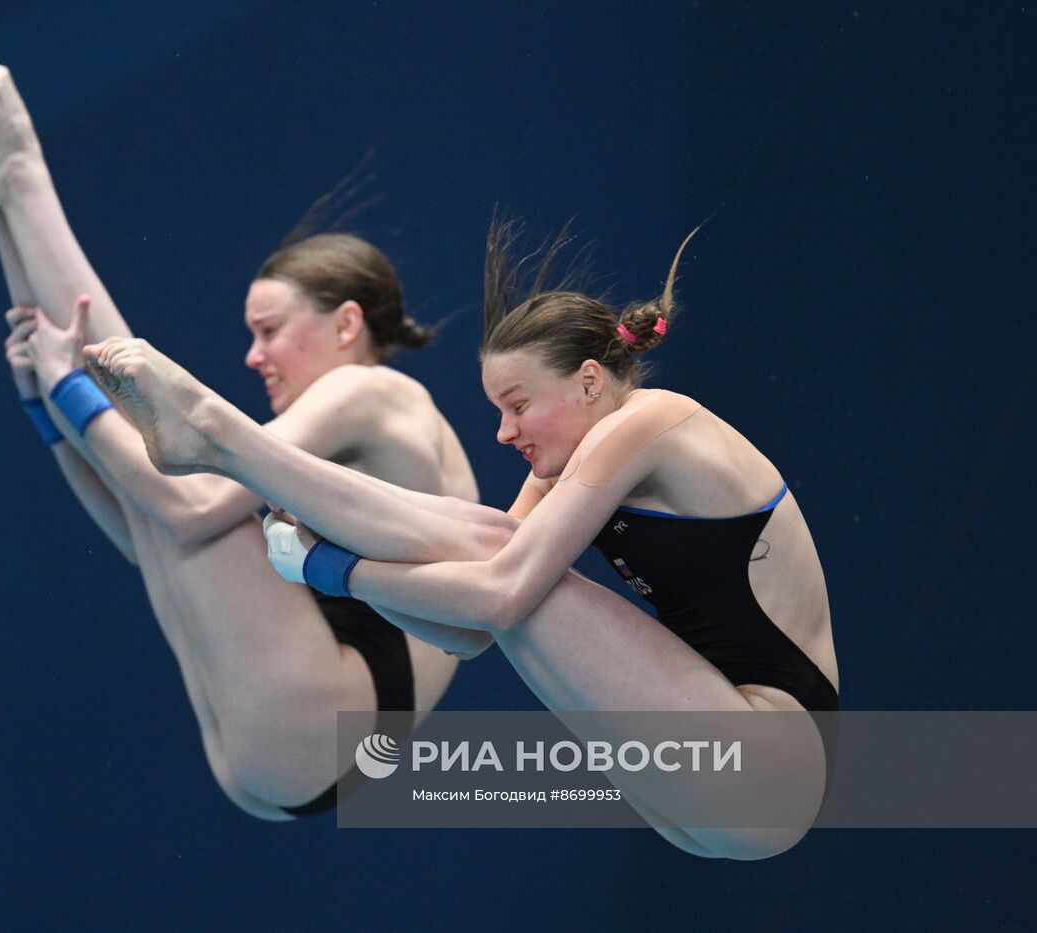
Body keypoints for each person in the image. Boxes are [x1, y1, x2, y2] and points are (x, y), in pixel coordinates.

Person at [84, 221, 840, 858]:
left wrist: (332, 567)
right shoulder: (566, 463)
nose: (504, 433)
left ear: (586, 381)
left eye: (517, 406)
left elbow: (503, 594)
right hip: (709, 792)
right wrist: (332, 565)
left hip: (769, 761)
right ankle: (228, 447)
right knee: (492, 549)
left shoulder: (650, 419)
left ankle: (227, 441)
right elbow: (468, 632)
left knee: (499, 561)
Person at [0, 53, 486, 820]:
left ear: (345, 324)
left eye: (269, 331)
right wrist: (53, 412)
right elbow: (147, 533)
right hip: (301, 745)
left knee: (179, 470)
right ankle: (6, 204)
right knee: (164, 491)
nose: (253, 355)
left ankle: (23, 181)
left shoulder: (377, 392)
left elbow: (188, 510)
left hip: (336, 712)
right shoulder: (327, 426)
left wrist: (73, 387)